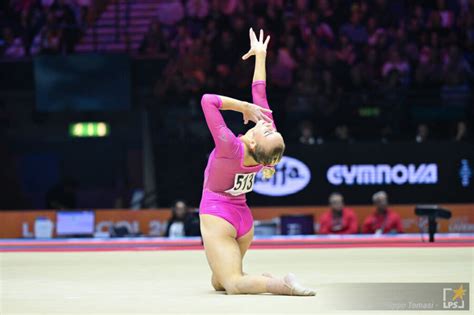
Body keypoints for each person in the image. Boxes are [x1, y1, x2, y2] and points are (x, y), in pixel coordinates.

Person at [199, 28, 315, 296]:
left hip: (219, 214)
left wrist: (241, 107)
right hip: (243, 218)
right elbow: (260, 93)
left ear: (253, 143)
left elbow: (208, 101)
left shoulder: (231, 147)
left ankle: (281, 285)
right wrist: (260, 56)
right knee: (218, 281)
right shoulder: (263, 148)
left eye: (268, 130)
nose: (267, 125)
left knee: (233, 285)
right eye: (273, 129)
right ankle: (263, 279)